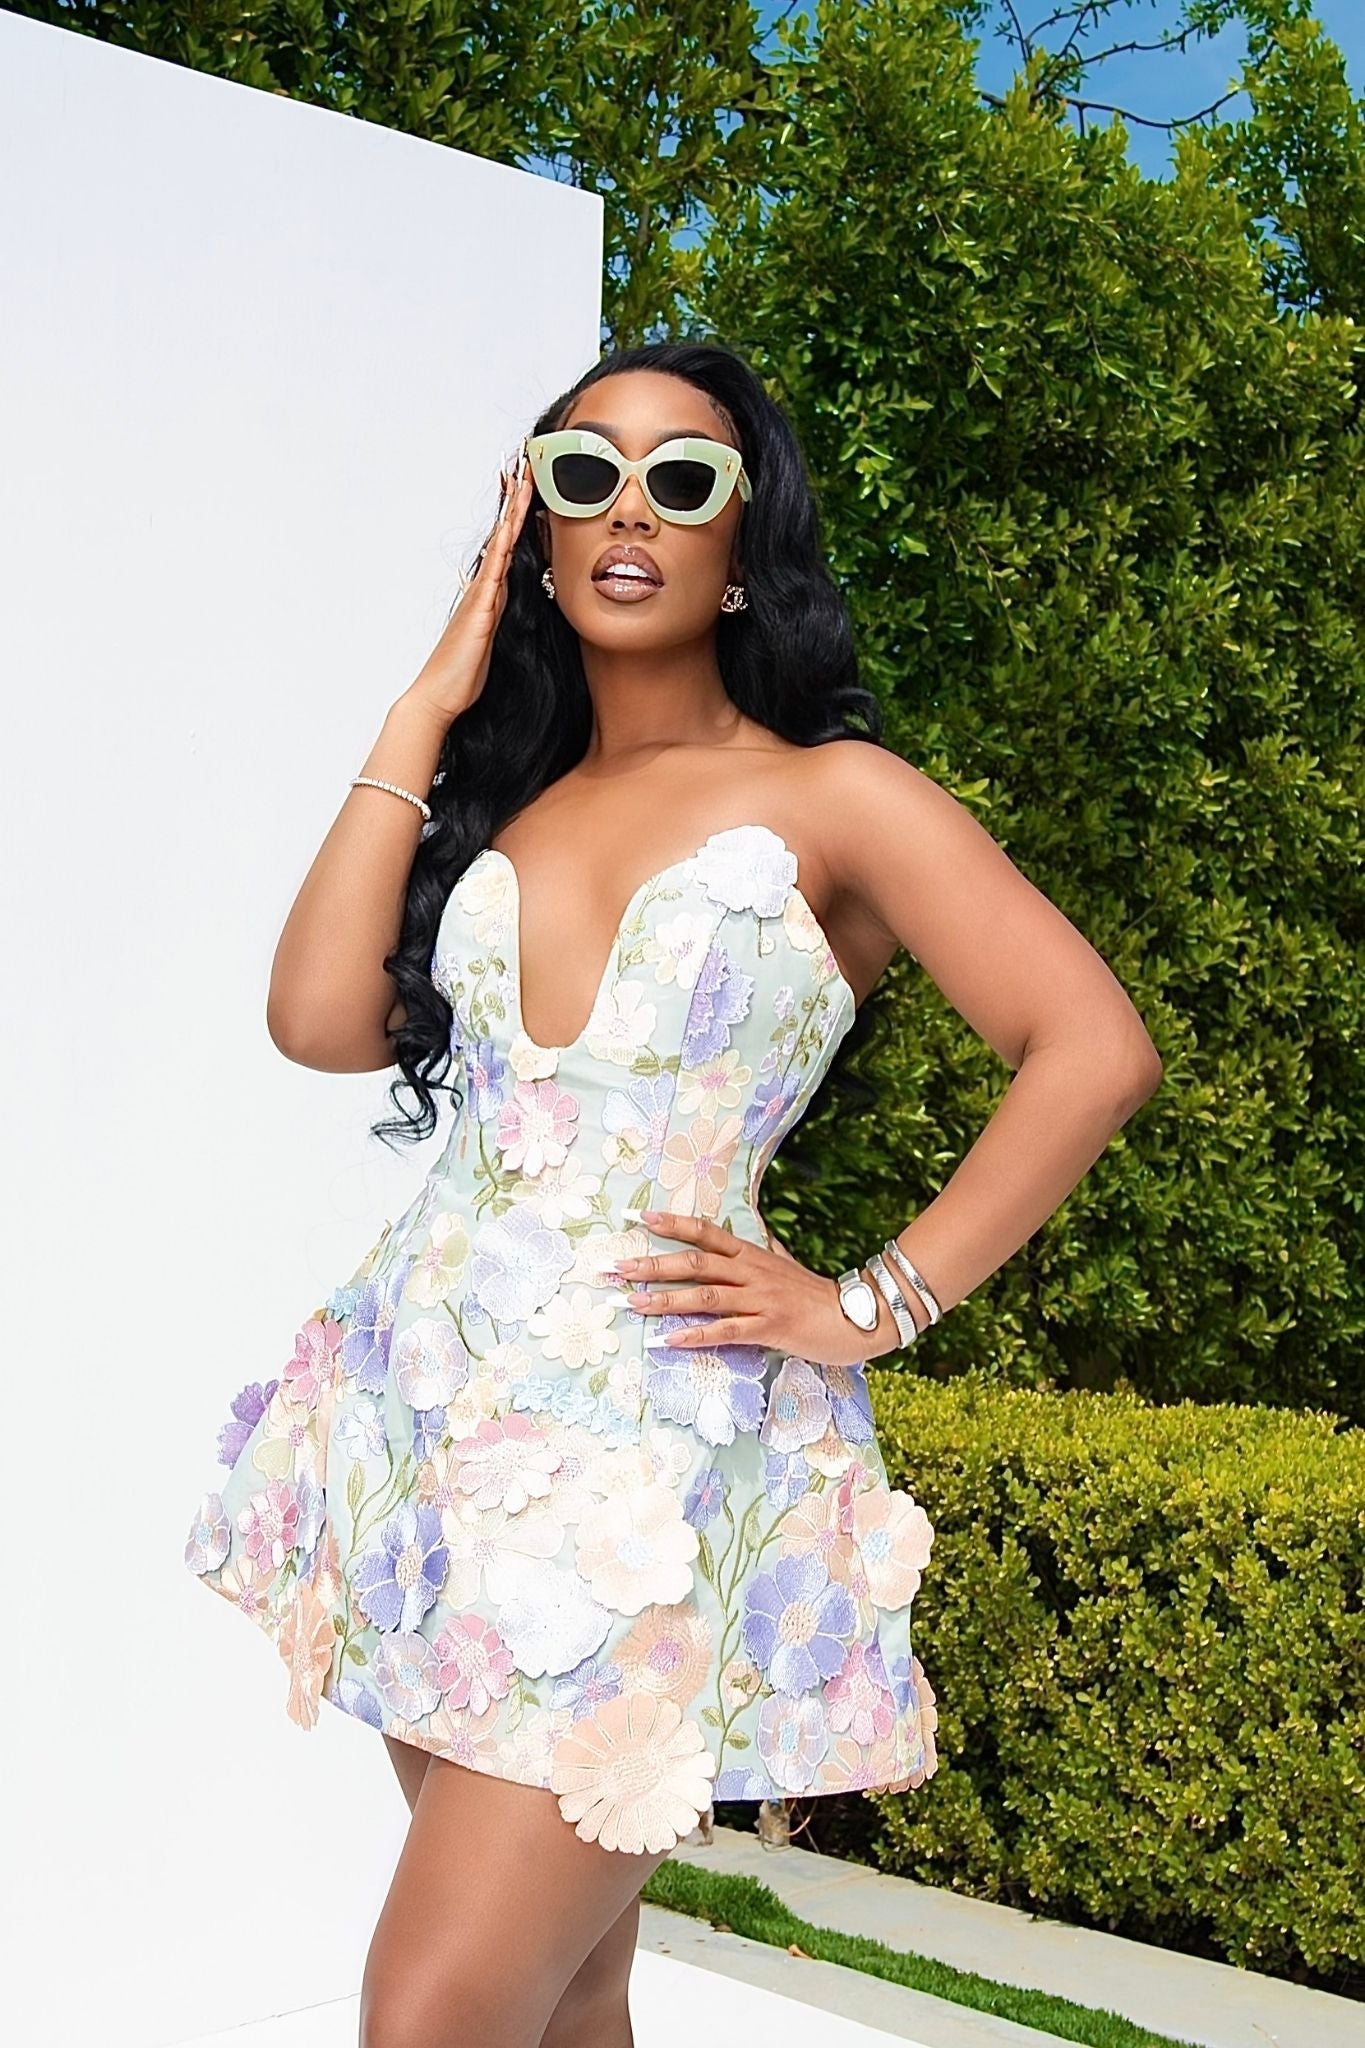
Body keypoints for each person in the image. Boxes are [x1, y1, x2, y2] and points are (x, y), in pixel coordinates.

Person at [183, 339, 1162, 2047]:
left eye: (681, 479)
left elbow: (1090, 1049)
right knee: (570, 2003)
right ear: (538, 530)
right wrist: (423, 712)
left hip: (646, 1479)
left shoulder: (835, 797)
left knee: (432, 2013)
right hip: (426, 1440)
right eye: (585, 475)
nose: (628, 510)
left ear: (740, 543)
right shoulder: (512, 802)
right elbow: (318, 1018)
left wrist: (869, 1306)